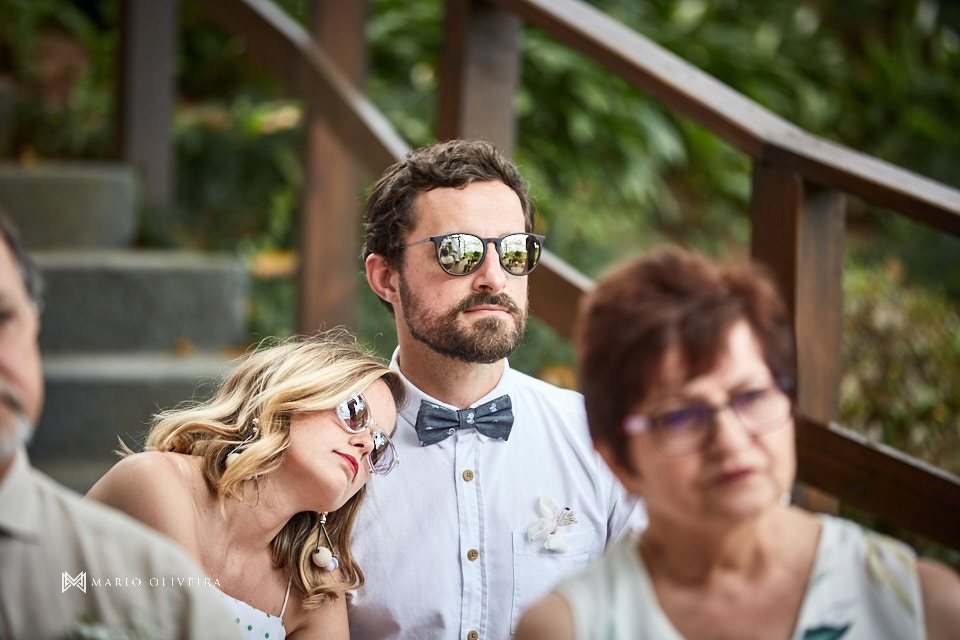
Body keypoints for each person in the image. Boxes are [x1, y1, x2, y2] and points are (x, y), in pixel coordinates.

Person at [515, 247, 960, 640]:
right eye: (681, 417)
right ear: (616, 459)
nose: (729, 441)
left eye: (751, 397)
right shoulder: (567, 629)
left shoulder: (921, 608)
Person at [350, 138, 645, 640]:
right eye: (458, 251)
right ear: (386, 278)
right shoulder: (330, 449)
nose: (494, 277)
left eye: (514, 250)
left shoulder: (602, 441)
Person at [0, 211, 242, 639]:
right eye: (351, 411)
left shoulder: (161, 598)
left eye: (2, 319)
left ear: (34, 323)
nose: (364, 442)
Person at [87, 329, 406, 639]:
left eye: (380, 444)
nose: (366, 443)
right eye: (355, 411)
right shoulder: (157, 481)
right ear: (293, 392)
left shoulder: (313, 587)